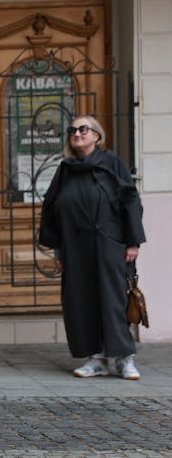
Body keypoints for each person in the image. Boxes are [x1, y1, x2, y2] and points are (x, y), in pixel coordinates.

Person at [39, 115, 145, 380]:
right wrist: (59, 250)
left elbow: (130, 201)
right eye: (72, 130)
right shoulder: (65, 169)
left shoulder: (112, 164)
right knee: (81, 301)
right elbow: (52, 207)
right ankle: (95, 359)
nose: (77, 134)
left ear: (97, 135)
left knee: (114, 300)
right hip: (75, 247)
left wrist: (133, 241)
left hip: (110, 243)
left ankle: (123, 359)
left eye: (83, 129)